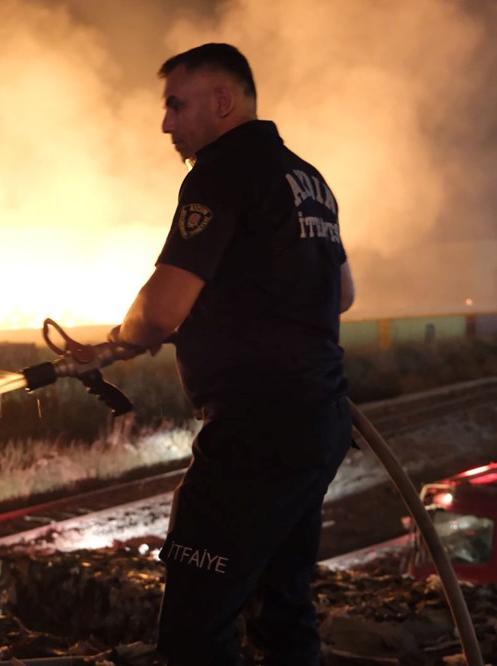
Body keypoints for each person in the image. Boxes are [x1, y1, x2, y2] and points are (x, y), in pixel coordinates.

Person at [108, 43, 355, 665]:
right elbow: (343, 293)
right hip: (317, 424)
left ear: (223, 101)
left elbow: (161, 310)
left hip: (255, 432)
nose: (166, 123)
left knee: (197, 622)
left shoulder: (220, 171)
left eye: (176, 104)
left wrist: (114, 343)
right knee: (283, 607)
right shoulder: (309, 180)